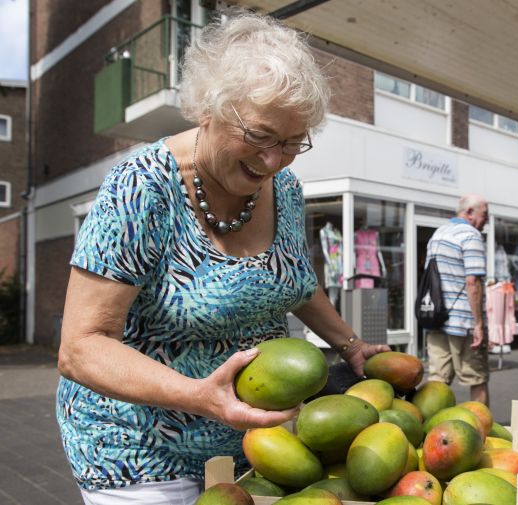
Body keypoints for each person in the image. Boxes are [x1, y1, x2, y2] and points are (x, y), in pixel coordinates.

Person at [55, 12, 390, 504]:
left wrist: (350, 344)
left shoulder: (286, 189)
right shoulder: (141, 188)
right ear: (207, 108)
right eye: (259, 135)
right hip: (139, 447)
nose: (274, 159)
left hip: (253, 444)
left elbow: (294, 279)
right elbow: (81, 347)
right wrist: (199, 397)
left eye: (293, 142)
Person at [424, 194, 491, 405]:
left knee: (437, 381)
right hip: (463, 323)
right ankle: (479, 432)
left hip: (435, 318)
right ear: (470, 212)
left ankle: (431, 431)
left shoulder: (439, 233)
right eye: (485, 215)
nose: (487, 220)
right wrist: (478, 324)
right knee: (476, 378)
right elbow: (473, 282)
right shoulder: (470, 235)